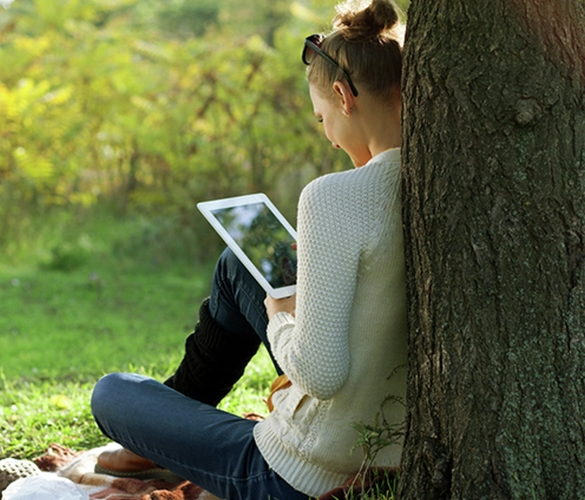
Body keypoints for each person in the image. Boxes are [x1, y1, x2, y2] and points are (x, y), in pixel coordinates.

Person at [89, 0, 407, 498]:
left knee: (113, 392)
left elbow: (322, 374)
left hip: (296, 473)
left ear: (344, 97)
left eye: (321, 118)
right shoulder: (445, 187)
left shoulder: (332, 196)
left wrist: (281, 316)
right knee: (241, 263)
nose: (327, 139)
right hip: (389, 431)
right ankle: (175, 415)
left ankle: (164, 438)